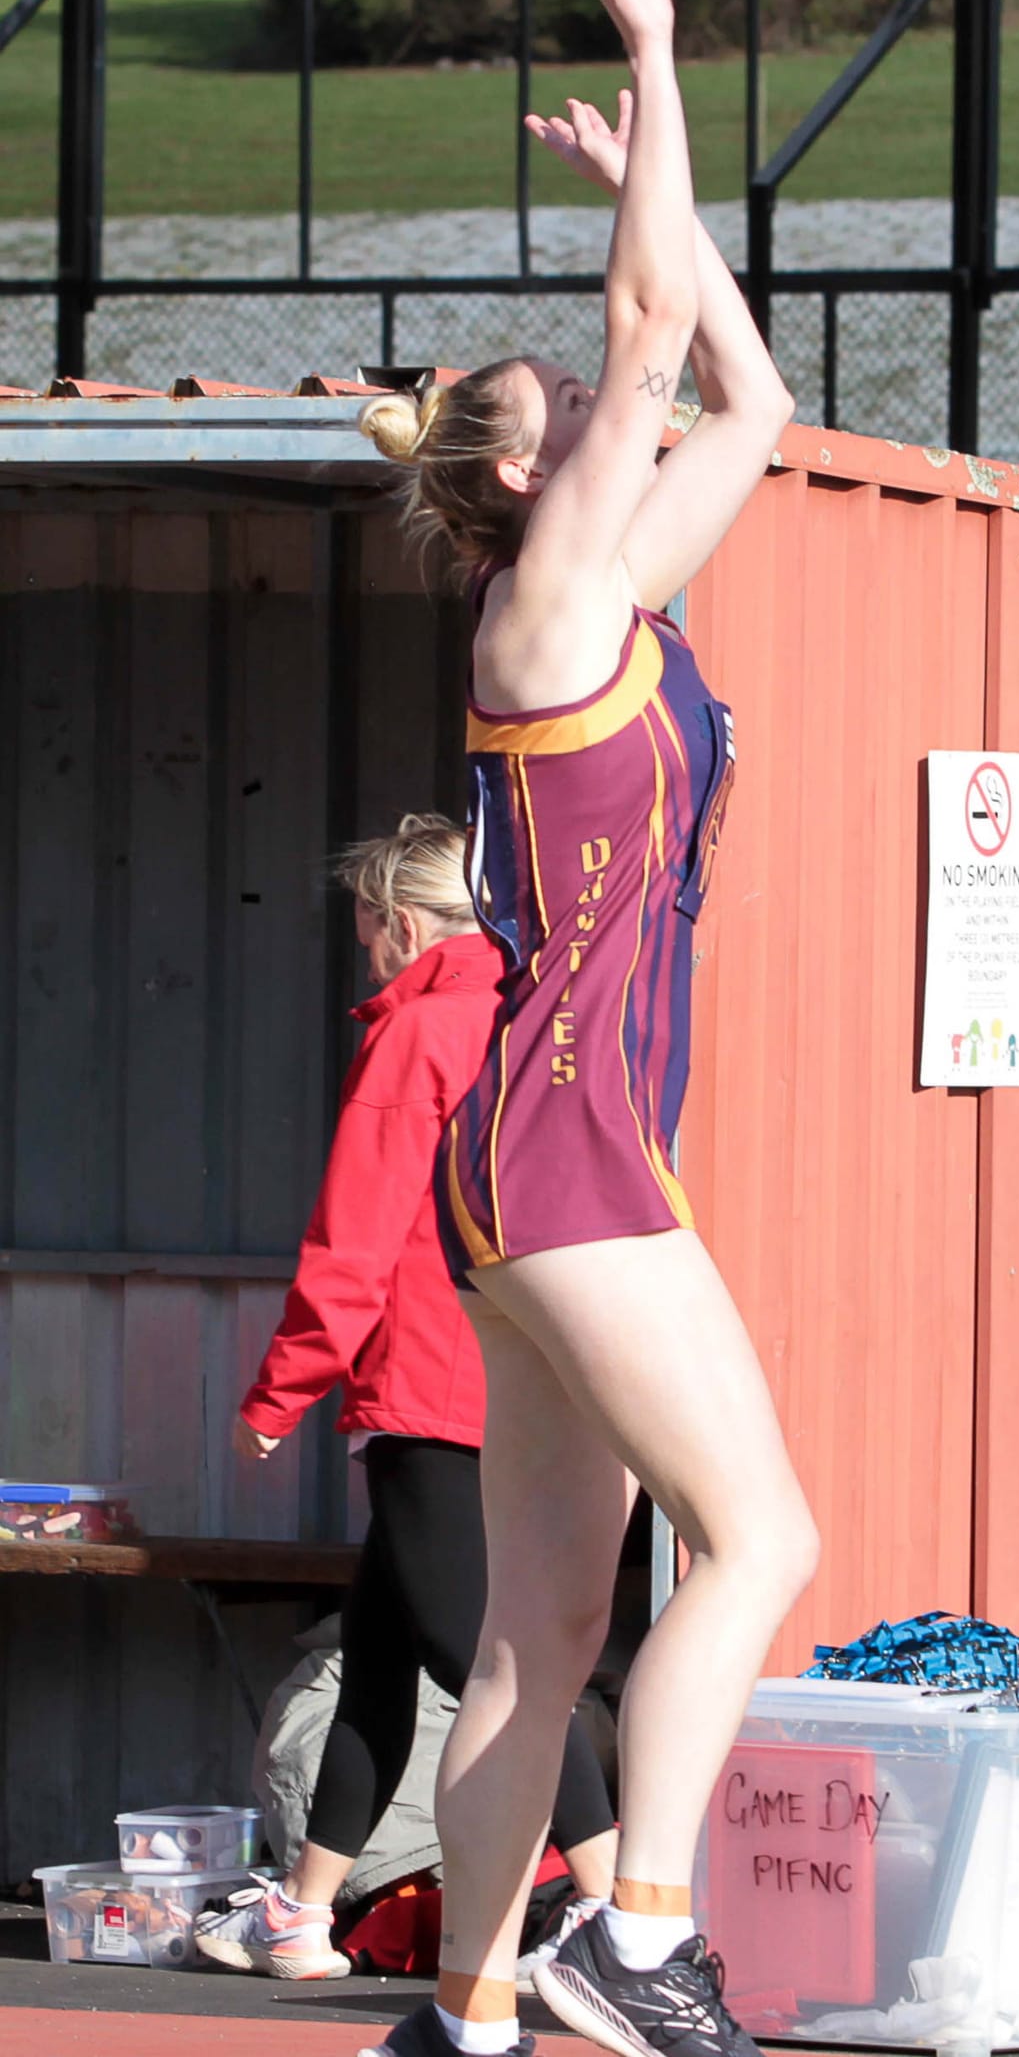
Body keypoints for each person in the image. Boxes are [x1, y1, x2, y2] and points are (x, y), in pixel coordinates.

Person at [352, 0, 817, 2057]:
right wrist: (648, 72)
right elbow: (649, 338)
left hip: (544, 1155)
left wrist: (656, 189)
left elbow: (747, 383)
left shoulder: (621, 602)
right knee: (763, 1544)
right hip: (562, 1156)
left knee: (543, 1628)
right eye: (576, 411)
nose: (611, 405)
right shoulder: (542, 629)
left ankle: (459, 2009)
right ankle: (635, 1932)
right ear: (529, 483)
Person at [200, 815, 618, 1985]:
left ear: (398, 921)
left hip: (430, 1384)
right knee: (381, 1651)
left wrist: (281, 1389)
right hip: (532, 1368)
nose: (366, 950)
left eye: (366, 926)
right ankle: (303, 1911)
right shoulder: (538, 1013)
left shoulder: (418, 1029)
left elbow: (357, 1230)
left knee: (492, 1655)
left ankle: (610, 1908)